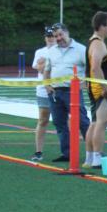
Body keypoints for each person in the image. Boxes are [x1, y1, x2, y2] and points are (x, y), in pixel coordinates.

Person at [44, 21, 88, 164]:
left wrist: (85, 83)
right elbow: (47, 70)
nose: (58, 38)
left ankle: (94, 152)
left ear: (67, 32)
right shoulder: (51, 51)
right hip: (55, 92)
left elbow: (91, 69)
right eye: (56, 36)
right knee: (59, 123)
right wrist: (47, 85)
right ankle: (67, 153)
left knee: (82, 122)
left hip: (73, 92)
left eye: (60, 34)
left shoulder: (81, 49)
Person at [84, 11, 107, 169]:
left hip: (95, 88)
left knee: (95, 123)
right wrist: (105, 88)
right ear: (102, 26)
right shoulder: (98, 44)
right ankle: (97, 158)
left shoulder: (94, 42)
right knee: (101, 123)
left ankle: (90, 158)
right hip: (101, 91)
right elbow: (96, 67)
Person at [29, 25, 56, 161]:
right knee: (43, 120)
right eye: (48, 36)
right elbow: (39, 69)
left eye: (52, 36)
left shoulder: (61, 51)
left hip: (59, 89)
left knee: (64, 121)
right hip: (43, 90)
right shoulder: (40, 52)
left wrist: (45, 64)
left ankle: (68, 151)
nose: (50, 38)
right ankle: (38, 151)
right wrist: (46, 65)